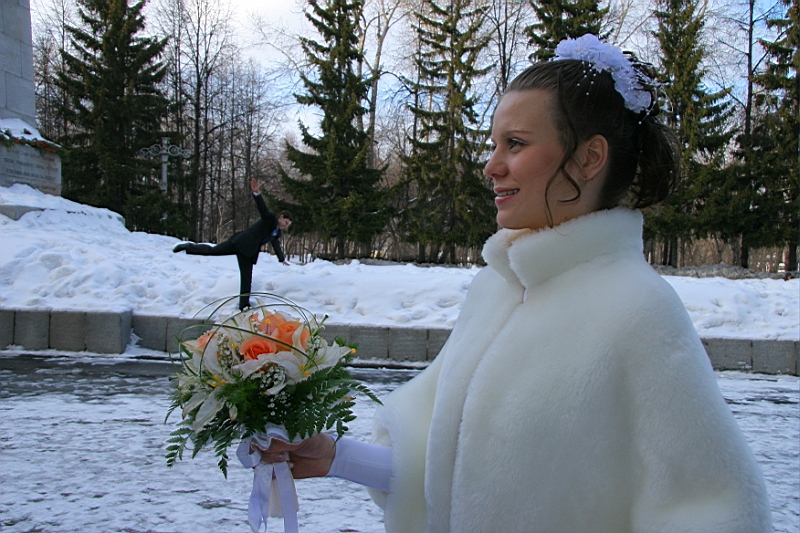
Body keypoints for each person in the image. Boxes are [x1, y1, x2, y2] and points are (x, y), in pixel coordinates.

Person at [260, 35, 773, 532]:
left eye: (516, 144)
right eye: (493, 145)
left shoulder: (638, 311)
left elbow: (714, 512)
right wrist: (337, 457)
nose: (491, 166)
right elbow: (444, 475)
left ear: (590, 158)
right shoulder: (497, 290)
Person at [173, 178, 292, 310]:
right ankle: (186, 247)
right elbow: (262, 208)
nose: (285, 226)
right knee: (213, 250)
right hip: (239, 241)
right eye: (285, 223)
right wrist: (256, 194)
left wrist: (282, 259)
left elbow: (276, 245)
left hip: (248, 253)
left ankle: (244, 305)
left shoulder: (276, 233)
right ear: (281, 217)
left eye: (288, 225)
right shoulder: (269, 218)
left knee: (246, 279)